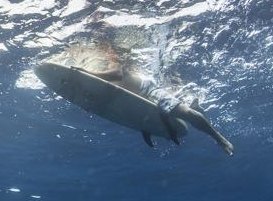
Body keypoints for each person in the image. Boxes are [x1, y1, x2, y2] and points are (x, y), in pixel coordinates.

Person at [88, 67, 235, 156]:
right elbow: (132, 110)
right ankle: (170, 122)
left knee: (187, 113)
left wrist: (91, 73)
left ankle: (219, 138)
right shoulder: (111, 78)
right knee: (151, 116)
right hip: (141, 100)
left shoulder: (119, 65)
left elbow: (120, 72)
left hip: (149, 89)